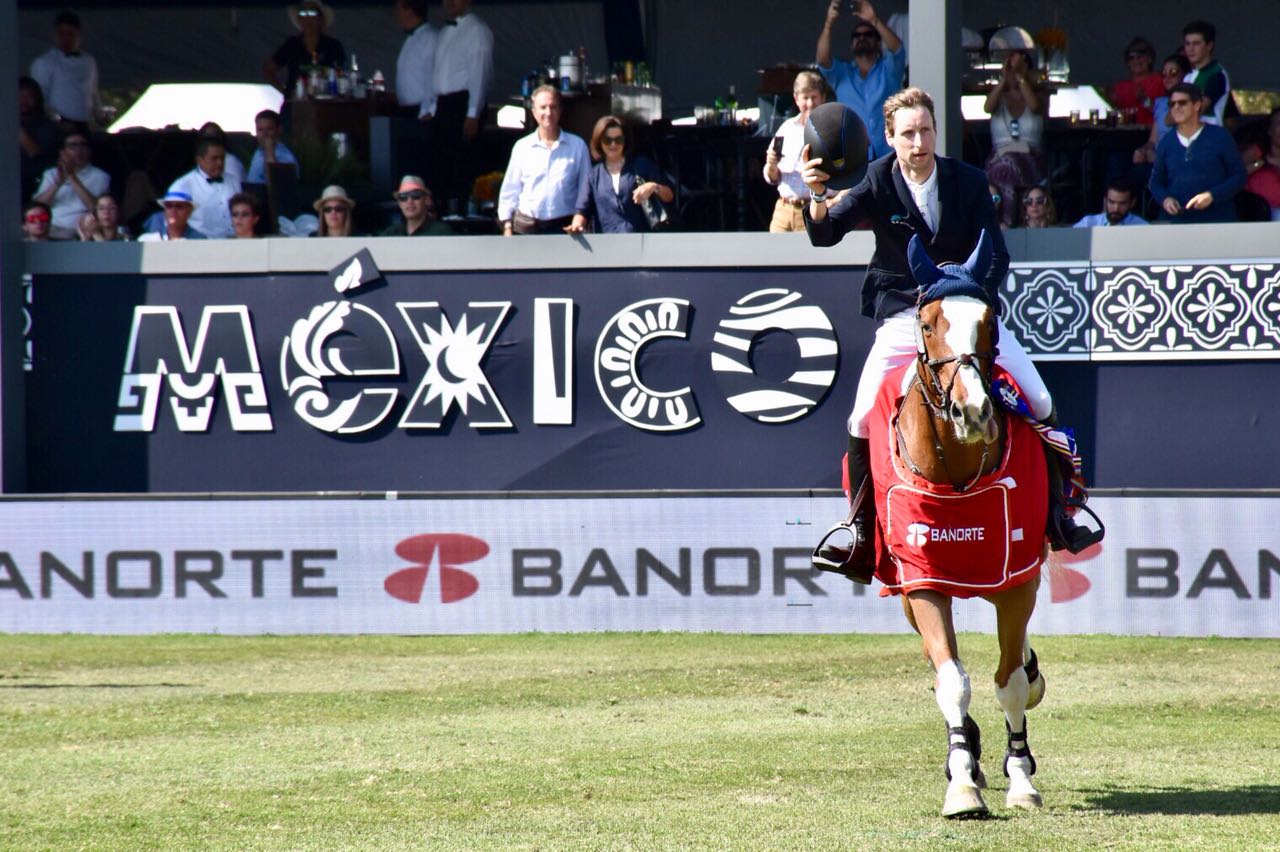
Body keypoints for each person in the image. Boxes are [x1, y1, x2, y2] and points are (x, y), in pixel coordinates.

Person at [801, 86, 1099, 575]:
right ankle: (858, 532)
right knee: (858, 419)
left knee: (1041, 400)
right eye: (908, 134)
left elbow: (997, 255)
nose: (918, 142)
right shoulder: (876, 180)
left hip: (963, 312)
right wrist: (815, 195)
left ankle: (1060, 515)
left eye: (925, 131)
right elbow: (824, 234)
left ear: (936, 131)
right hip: (905, 317)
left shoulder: (968, 179)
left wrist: (964, 290)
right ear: (889, 139)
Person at [421, 0, 493, 206]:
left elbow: (480, 73)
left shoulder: (477, 30)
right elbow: (439, 73)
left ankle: (463, 212)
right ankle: (443, 209)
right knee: (441, 165)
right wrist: (433, 108)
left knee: (462, 164)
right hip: (444, 104)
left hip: (463, 103)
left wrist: (473, 113)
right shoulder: (444, 32)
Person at [815, 0, 903, 161]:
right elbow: (822, 59)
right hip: (854, 156)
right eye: (857, 35)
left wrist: (874, 21)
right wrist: (829, 23)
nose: (861, 38)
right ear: (851, 44)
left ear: (877, 42)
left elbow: (897, 49)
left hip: (888, 154)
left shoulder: (889, 71)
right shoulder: (842, 74)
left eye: (868, 34)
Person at [497, 85, 590, 236]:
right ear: (533, 112)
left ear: (560, 111)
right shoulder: (522, 147)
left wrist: (580, 219)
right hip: (526, 228)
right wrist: (507, 227)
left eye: (553, 107)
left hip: (565, 229)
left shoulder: (577, 146)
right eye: (543, 107)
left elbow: (586, 190)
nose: (548, 112)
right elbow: (510, 190)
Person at [1148, 82, 1244, 224]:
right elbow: (1155, 182)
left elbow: (1239, 176)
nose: (1176, 108)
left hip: (1217, 221)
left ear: (1197, 105)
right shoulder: (1166, 142)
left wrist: (1212, 195)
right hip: (1177, 223)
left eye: (1182, 103)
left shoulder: (1220, 136)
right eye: (1172, 104)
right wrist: (1165, 199)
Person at [573, 115, 673, 234]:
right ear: (599, 142)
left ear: (625, 141)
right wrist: (577, 225)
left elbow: (669, 196)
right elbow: (582, 211)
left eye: (618, 140)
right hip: (607, 244)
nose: (613, 144)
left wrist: (653, 187)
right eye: (607, 140)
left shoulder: (641, 164)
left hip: (642, 241)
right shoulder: (593, 175)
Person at [984, 50, 1046, 227]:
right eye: (1010, 67)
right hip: (999, 157)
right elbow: (987, 108)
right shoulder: (998, 96)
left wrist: (1021, 77)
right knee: (1003, 166)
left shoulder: (1039, 94)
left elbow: (1034, 106)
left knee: (1007, 165)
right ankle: (1000, 222)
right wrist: (1005, 78)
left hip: (1030, 157)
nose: (1014, 72)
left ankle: (1006, 222)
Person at [763, 71, 827, 233]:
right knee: (774, 258)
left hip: (813, 209)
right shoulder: (786, 128)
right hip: (783, 210)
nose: (810, 103)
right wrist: (771, 166)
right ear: (796, 99)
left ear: (823, 98)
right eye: (805, 98)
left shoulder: (832, 130)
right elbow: (772, 177)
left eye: (814, 97)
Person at [29, 10, 104, 131]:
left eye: (70, 34)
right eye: (61, 34)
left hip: (85, 123)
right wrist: (56, 121)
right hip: (58, 125)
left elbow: (93, 92)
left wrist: (99, 114)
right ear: (55, 35)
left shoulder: (89, 61)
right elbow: (39, 98)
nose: (65, 39)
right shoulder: (45, 62)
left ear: (79, 35)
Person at [32, 130, 109, 239]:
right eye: (72, 146)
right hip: (51, 227)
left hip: (81, 229)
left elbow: (95, 208)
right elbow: (37, 207)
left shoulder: (100, 176)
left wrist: (72, 177)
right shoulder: (51, 173)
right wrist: (57, 184)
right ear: (62, 152)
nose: (79, 150)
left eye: (83, 145)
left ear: (89, 151)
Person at [263, 1, 346, 96]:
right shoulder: (292, 44)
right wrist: (286, 92)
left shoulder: (333, 45)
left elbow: (342, 73)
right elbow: (268, 70)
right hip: (295, 104)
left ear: (320, 19)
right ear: (299, 19)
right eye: (303, 13)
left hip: (325, 103)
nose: (307, 18)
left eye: (312, 13)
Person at [168, 136, 243, 238]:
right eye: (214, 159)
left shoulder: (234, 180)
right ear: (199, 160)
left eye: (222, 158)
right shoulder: (182, 186)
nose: (220, 163)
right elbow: (173, 222)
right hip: (199, 244)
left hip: (233, 242)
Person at [1132, 54, 1192, 167]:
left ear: (1185, 75)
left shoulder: (1191, 103)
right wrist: (1143, 150)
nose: (1167, 78)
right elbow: (1153, 141)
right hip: (1156, 161)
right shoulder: (1161, 102)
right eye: (1164, 74)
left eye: (1173, 73)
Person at [19, 77, 62, 202]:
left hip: (35, 182)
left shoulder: (46, 124)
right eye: (20, 96)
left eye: (28, 96)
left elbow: (33, 151)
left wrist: (15, 126)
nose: (23, 101)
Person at [1181, 20, 1230, 127]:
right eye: (1187, 43)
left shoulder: (1217, 74)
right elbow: (1170, 118)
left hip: (1209, 136)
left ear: (1209, 45)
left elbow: (1193, 113)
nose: (1190, 49)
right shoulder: (1188, 76)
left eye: (1196, 43)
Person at [394, 0, 436, 118]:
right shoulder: (411, 39)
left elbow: (432, 78)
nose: (396, 14)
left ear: (409, 12)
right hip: (407, 111)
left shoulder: (430, 38)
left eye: (399, 10)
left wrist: (428, 111)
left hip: (421, 111)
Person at [1110, 37, 1164, 126]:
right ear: (1127, 62)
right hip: (1126, 134)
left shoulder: (1160, 81)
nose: (1136, 61)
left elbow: (1165, 114)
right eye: (1132, 58)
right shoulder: (1120, 87)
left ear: (1150, 59)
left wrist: (1145, 100)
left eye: (1140, 57)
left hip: (1151, 133)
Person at [1241, 108, 1280, 220]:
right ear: (1270, 130)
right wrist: (1261, 163)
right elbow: (1234, 176)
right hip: (1259, 216)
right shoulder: (1255, 153)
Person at [381, 175, 452, 236]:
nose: (409, 201)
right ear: (400, 204)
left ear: (426, 200)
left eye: (416, 196)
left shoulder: (442, 232)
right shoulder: (390, 233)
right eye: (403, 197)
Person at [247, 110, 298, 184]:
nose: (264, 134)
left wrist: (269, 151)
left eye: (269, 129)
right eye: (260, 130)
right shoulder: (258, 152)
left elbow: (276, 186)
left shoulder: (286, 157)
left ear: (279, 130)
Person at [1072, 178, 1147, 228]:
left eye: (1122, 203)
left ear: (1132, 203)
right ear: (1105, 201)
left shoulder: (1141, 226)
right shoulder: (1088, 223)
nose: (1116, 208)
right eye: (1111, 202)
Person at [137, 190, 207, 241]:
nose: (173, 211)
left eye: (179, 206)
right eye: (169, 206)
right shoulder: (147, 240)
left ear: (189, 211)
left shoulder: (199, 240)